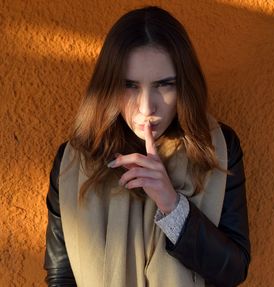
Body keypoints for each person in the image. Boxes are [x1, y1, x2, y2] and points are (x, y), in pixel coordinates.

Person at [44, 5, 251, 287]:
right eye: (130, 85)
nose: (146, 107)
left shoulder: (217, 146)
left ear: (183, 86)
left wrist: (172, 205)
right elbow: (61, 276)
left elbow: (233, 270)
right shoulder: (75, 160)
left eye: (164, 85)